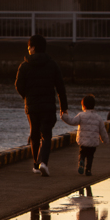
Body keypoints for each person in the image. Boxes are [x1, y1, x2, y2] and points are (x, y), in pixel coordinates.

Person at [15, 34, 68, 177]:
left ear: (33, 48)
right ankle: (43, 162)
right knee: (46, 134)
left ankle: (35, 165)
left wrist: (27, 97)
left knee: (34, 134)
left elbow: (18, 85)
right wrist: (64, 107)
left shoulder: (24, 66)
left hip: (32, 106)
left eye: (29, 47)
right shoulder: (52, 65)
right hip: (48, 106)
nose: (28, 50)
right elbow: (60, 87)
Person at [61, 94, 108, 177]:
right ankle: (88, 170)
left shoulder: (81, 115)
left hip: (83, 142)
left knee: (82, 153)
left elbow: (72, 121)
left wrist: (64, 115)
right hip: (93, 142)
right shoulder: (98, 117)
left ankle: (81, 161)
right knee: (90, 156)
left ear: (84, 106)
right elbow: (102, 131)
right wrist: (105, 140)